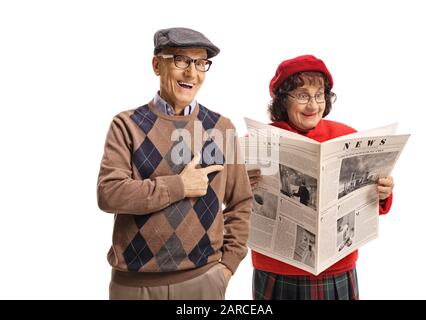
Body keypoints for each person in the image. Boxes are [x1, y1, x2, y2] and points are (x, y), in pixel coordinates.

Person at [97, 27, 253, 300]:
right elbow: (109, 194)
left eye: (201, 63)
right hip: (134, 287)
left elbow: (241, 201)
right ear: (157, 65)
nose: (192, 73)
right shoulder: (127, 125)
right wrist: (179, 185)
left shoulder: (221, 128)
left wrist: (228, 265)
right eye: (181, 60)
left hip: (203, 280)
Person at [247, 55, 394, 300]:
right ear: (283, 100)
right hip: (277, 271)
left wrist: (383, 193)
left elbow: (367, 206)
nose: (313, 105)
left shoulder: (348, 138)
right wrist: (241, 185)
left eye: (319, 95)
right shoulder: (258, 142)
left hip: (336, 269)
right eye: (302, 95)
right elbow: (230, 201)